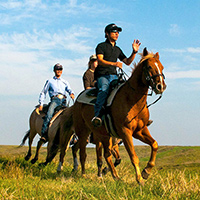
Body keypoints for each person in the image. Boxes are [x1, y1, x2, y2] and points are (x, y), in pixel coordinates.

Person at [91, 23, 141, 127]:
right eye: (114, 32)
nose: (117, 34)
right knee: (104, 89)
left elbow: (127, 62)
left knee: (125, 89)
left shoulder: (117, 49)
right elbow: (100, 60)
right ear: (107, 33)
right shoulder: (101, 46)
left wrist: (134, 52)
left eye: (117, 32)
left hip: (114, 76)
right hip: (102, 76)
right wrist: (115, 64)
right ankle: (97, 116)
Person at [38, 63, 75, 142]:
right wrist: (41, 103)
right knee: (49, 114)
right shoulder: (50, 81)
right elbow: (43, 92)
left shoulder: (65, 82)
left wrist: (71, 93)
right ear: (54, 71)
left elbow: (69, 89)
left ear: (62, 71)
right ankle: (44, 134)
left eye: (60, 69)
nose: (59, 71)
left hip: (63, 100)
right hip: (55, 99)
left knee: (69, 116)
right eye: (57, 69)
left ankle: (72, 138)